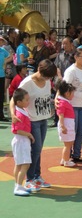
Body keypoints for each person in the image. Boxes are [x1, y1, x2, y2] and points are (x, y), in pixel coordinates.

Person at [10, 60, 57, 192]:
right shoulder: (27, 83)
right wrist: (13, 114)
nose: (48, 79)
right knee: (35, 150)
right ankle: (30, 179)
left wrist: (51, 106)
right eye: (46, 76)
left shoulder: (47, 81)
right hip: (32, 120)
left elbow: (46, 97)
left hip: (43, 119)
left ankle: (36, 176)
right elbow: (14, 99)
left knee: (38, 149)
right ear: (40, 71)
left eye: (49, 77)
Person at [62, 47, 82, 163]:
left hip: (81, 105)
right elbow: (65, 87)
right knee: (72, 130)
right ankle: (67, 156)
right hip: (71, 105)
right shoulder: (71, 71)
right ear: (76, 57)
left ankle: (76, 154)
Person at [11, 88, 34, 196]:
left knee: (19, 164)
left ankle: (18, 184)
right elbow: (18, 130)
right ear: (19, 102)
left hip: (20, 141)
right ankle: (18, 186)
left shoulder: (20, 110)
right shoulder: (19, 115)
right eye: (26, 100)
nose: (28, 102)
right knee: (25, 164)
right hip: (21, 141)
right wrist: (29, 134)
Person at [55, 81, 77, 168]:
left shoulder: (64, 101)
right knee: (68, 145)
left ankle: (64, 159)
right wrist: (63, 126)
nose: (73, 95)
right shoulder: (63, 102)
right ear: (67, 93)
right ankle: (66, 161)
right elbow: (61, 115)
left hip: (68, 124)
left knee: (68, 144)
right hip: (66, 124)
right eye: (72, 93)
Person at [0, 36, 13, 121]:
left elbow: (11, 56)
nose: (0, 42)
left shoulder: (2, 50)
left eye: (1, 41)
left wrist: (5, 62)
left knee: (1, 95)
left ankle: (1, 115)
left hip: (1, 75)